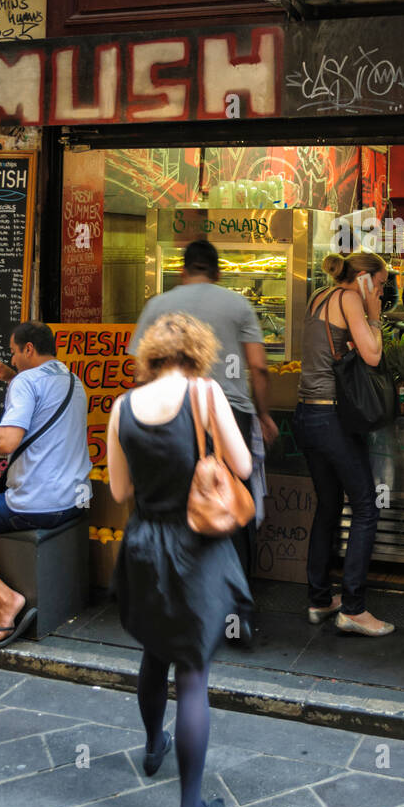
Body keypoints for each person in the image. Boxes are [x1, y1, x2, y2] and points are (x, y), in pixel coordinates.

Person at [107, 312, 253, 807]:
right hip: (194, 548)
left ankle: (152, 746)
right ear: (197, 350)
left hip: (144, 546)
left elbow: (120, 490)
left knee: (154, 651)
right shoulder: (205, 393)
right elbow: (238, 464)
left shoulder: (123, 406)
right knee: (192, 672)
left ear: (150, 354)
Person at [129, 238, 277, 638]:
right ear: (217, 270)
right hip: (229, 412)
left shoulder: (158, 305)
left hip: (170, 415)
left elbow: (139, 372)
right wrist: (262, 414)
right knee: (230, 501)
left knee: (180, 503)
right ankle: (237, 612)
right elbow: (258, 368)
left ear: (183, 269)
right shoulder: (238, 304)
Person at [0, 322, 91, 647]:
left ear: (28, 349)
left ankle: (5, 600)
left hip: (35, 504)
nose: (12, 359)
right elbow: (42, 400)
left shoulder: (26, 381)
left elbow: (5, 443)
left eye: (14, 352)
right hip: (73, 499)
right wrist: (11, 377)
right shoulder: (72, 380)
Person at [293, 250, 393, 637]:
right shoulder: (351, 299)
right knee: (366, 508)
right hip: (333, 419)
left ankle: (319, 598)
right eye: (381, 285)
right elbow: (372, 355)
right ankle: (353, 608)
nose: (382, 293)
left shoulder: (320, 295)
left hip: (307, 415)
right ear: (365, 279)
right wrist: (371, 312)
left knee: (329, 505)